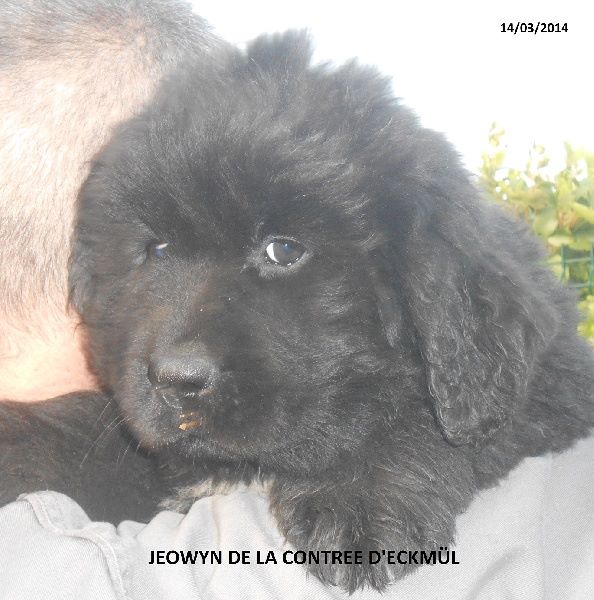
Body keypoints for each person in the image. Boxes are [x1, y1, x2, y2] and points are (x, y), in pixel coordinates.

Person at [0, 2, 592, 599]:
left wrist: (410, 450)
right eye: (157, 251)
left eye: (282, 252)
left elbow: (550, 379)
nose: (181, 357)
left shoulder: (453, 263)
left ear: (413, 270)